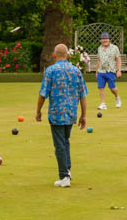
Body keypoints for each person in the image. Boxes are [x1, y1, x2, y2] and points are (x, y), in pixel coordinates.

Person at [35, 44, 88, 188]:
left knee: (60, 144)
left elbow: (42, 94)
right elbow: (83, 95)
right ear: (68, 55)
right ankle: (67, 171)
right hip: (71, 113)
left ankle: (64, 176)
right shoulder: (76, 71)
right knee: (65, 141)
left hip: (56, 114)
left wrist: (38, 111)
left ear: (54, 54)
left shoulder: (51, 71)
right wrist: (83, 115)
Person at [96, 32, 122, 110]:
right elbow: (99, 60)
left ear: (109, 39)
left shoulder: (114, 48)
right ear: (101, 40)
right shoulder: (99, 48)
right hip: (101, 71)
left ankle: (117, 97)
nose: (105, 40)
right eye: (103, 39)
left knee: (112, 88)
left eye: (106, 39)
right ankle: (103, 103)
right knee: (101, 87)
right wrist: (96, 71)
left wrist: (119, 70)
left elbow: (118, 59)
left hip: (111, 71)